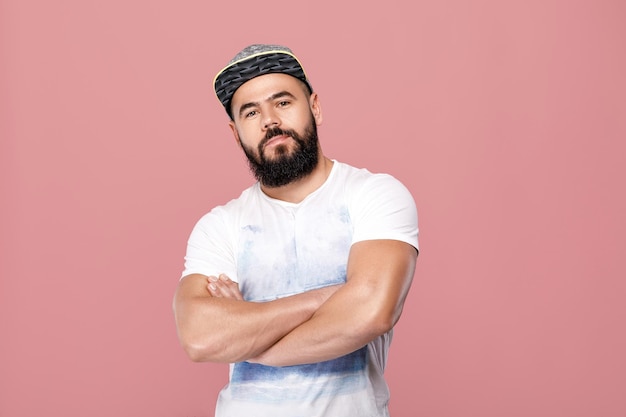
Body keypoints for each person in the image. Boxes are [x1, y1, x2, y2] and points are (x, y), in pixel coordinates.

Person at [173, 43, 419, 417]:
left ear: (315, 107)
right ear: (235, 133)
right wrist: (329, 297)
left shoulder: (374, 195)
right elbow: (199, 336)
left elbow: (372, 312)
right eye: (251, 112)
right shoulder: (221, 225)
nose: (270, 120)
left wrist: (246, 338)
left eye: (283, 103)